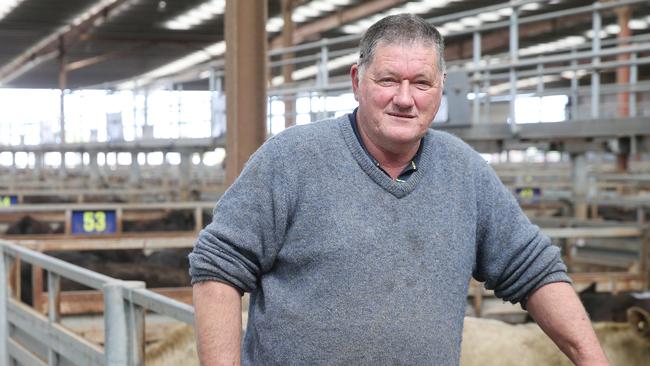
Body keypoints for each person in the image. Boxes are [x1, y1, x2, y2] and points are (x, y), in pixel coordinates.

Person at [189, 13, 609, 366]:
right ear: (358, 81)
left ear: (441, 88)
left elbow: (533, 269)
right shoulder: (290, 159)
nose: (405, 99)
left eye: (421, 83)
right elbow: (218, 270)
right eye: (388, 79)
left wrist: (594, 360)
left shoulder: (465, 171)